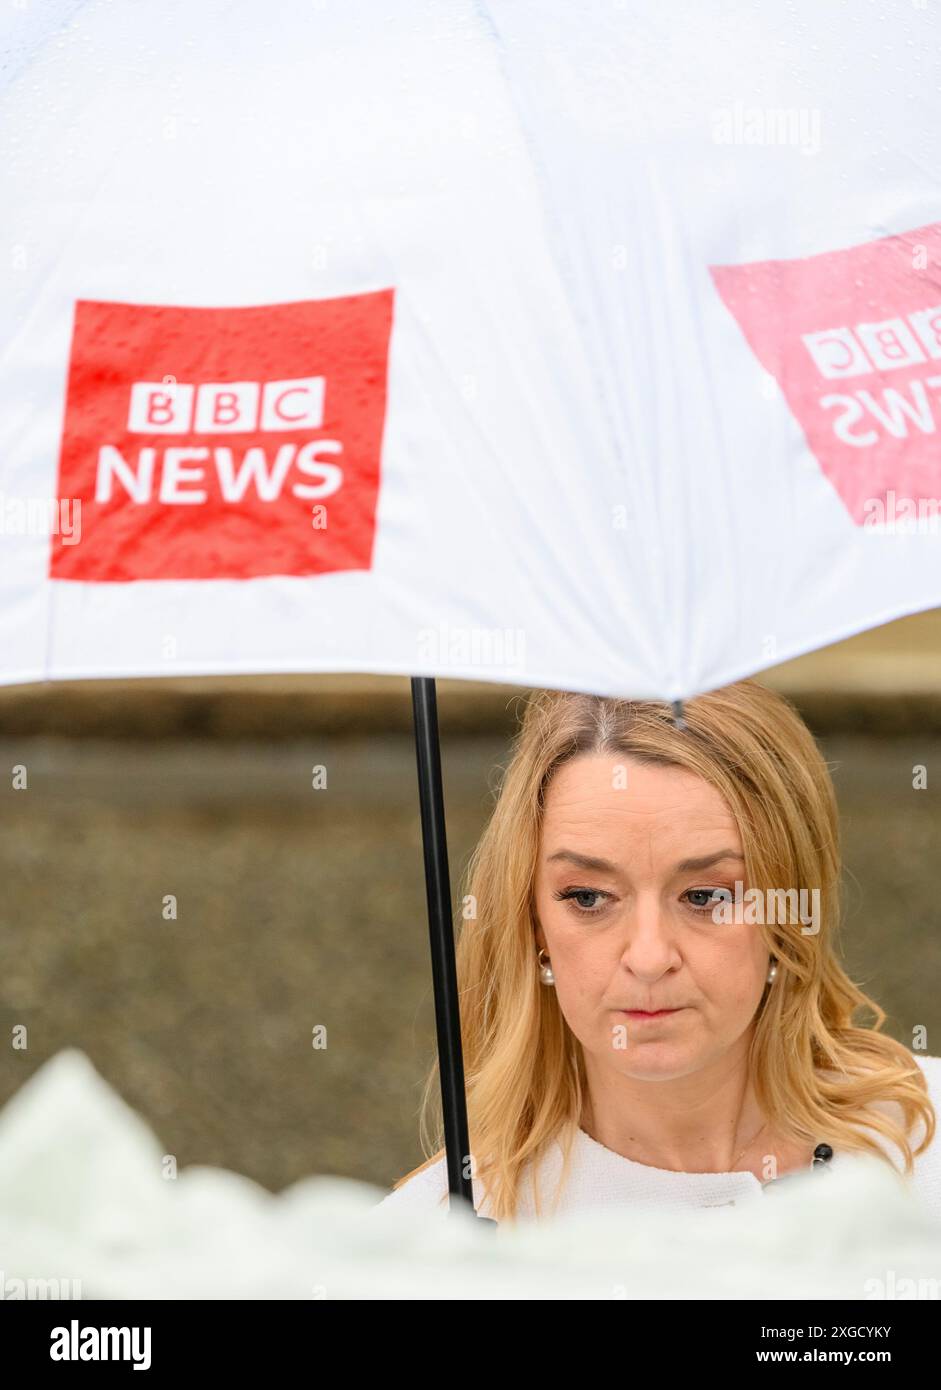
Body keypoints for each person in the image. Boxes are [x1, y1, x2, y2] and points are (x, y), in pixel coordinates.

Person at [375, 680, 940, 1223]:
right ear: (534, 924)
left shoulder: (925, 1145)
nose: (648, 957)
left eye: (706, 896)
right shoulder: (434, 1236)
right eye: (589, 897)